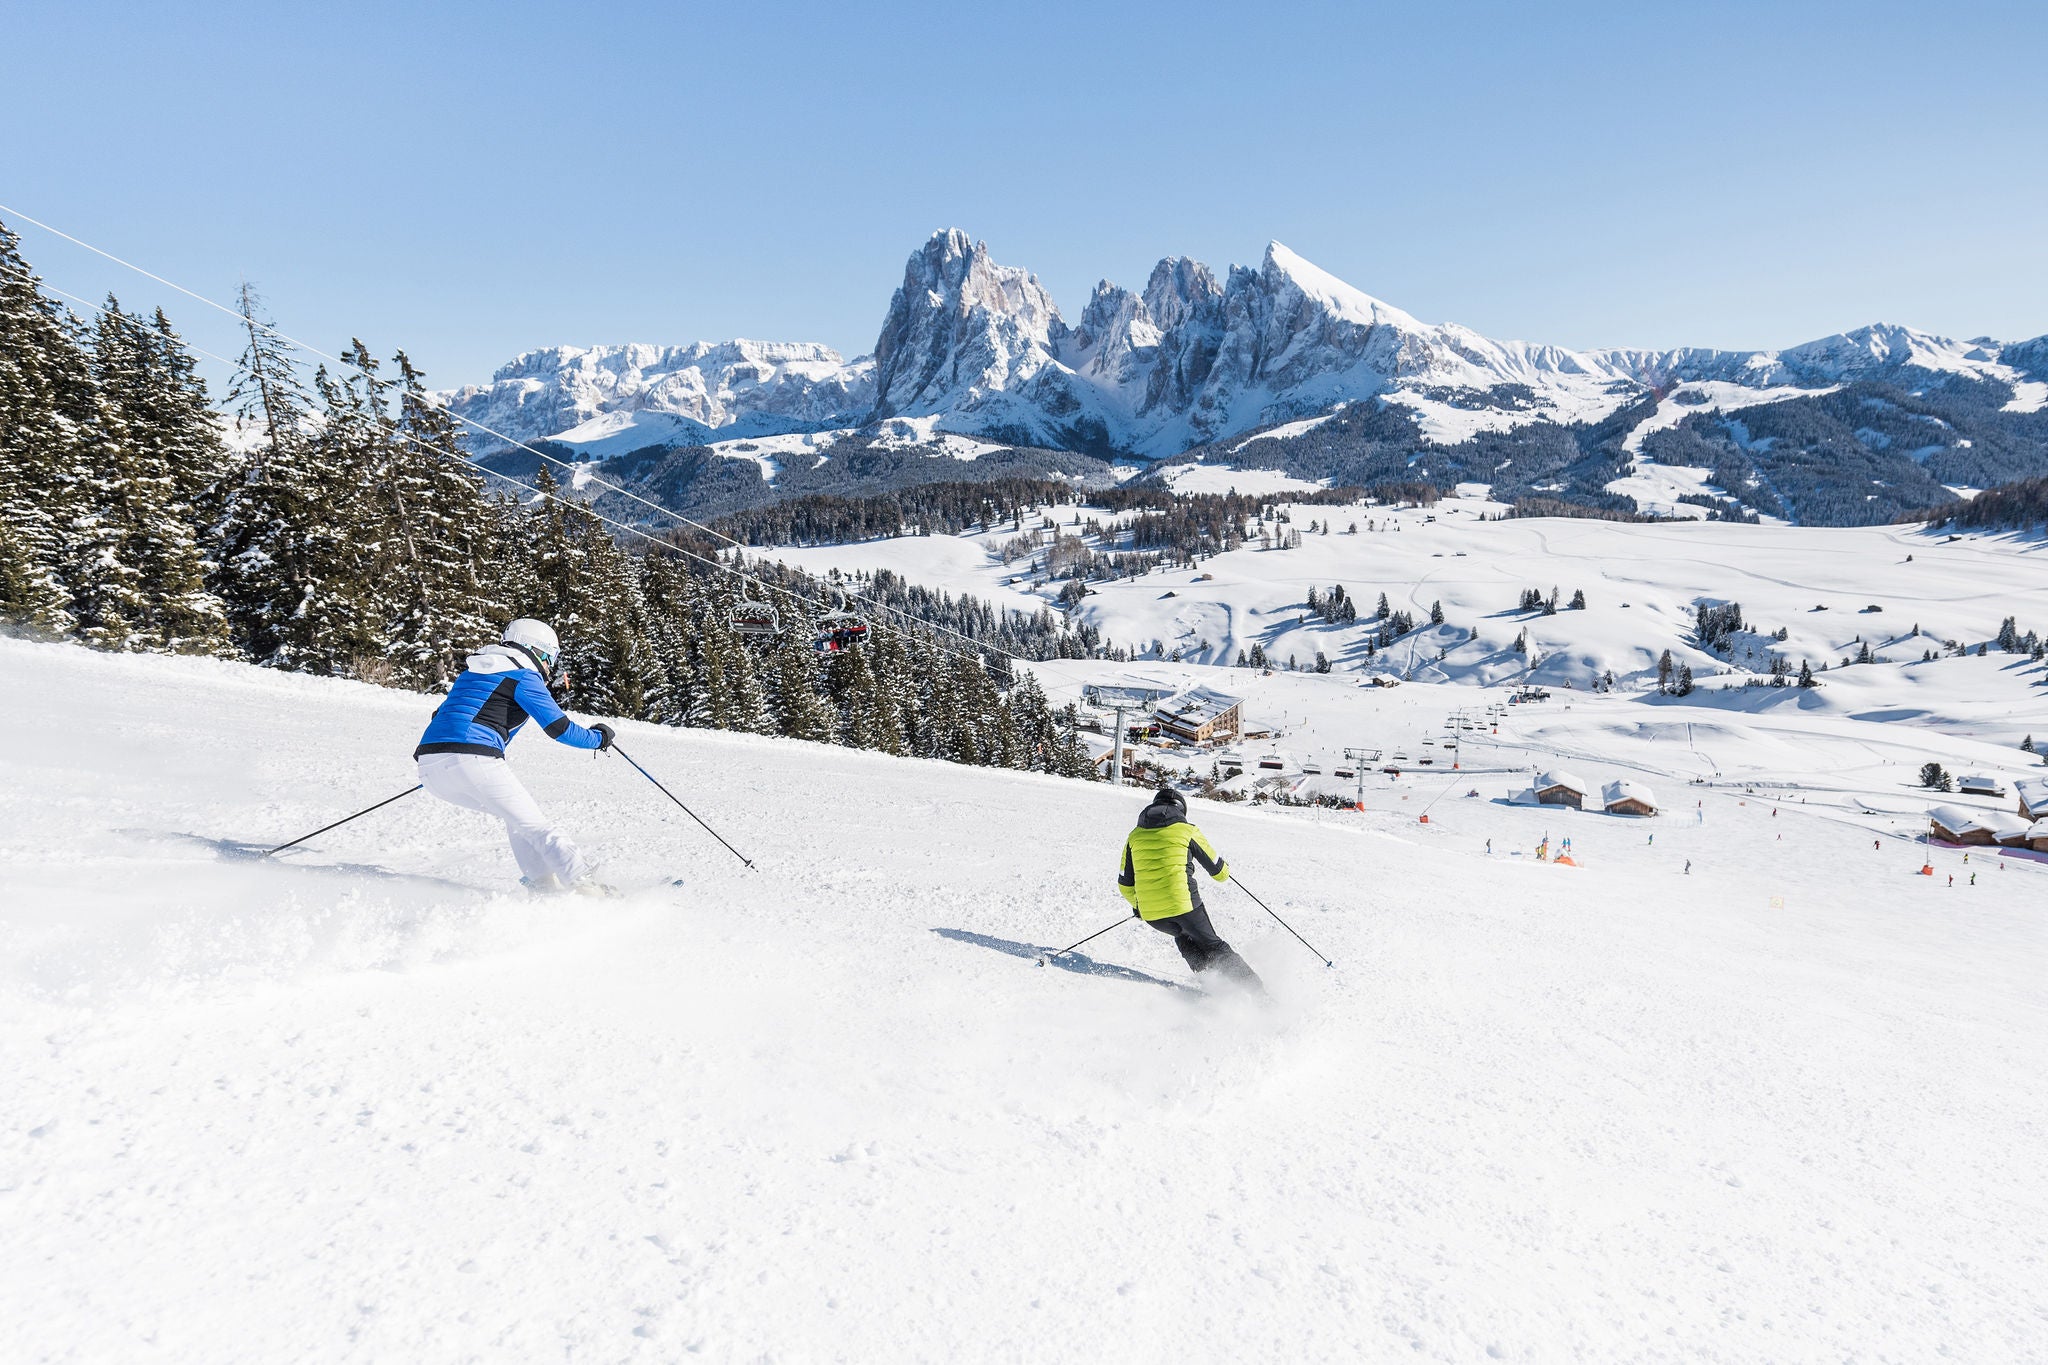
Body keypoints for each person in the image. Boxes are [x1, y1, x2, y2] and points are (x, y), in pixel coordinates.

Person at [414, 618, 616, 894]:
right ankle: (588, 887)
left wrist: (447, 763)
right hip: (472, 760)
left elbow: (440, 716)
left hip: (430, 768)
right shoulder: (523, 674)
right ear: (536, 650)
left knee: (518, 821)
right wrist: (599, 738)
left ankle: (543, 885)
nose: (549, 666)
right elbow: (559, 728)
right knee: (539, 827)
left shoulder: (474, 672)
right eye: (549, 658)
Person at [1116, 788, 1262, 991]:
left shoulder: (1134, 836)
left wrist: (1138, 906)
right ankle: (1258, 994)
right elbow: (1219, 872)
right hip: (1184, 905)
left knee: (1183, 937)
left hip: (1153, 916)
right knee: (1214, 946)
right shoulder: (1187, 830)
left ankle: (1212, 986)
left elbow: (1124, 885)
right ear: (1182, 810)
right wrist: (1224, 867)